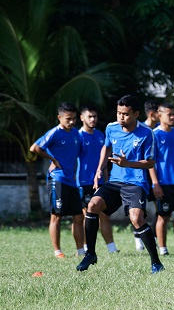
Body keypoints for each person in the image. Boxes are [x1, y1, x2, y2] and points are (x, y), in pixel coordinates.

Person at [76, 95, 164, 273]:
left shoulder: (147, 133)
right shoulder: (111, 128)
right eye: (118, 113)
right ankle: (90, 254)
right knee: (92, 205)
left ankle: (156, 262)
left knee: (136, 219)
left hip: (136, 183)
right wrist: (100, 169)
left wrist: (127, 163)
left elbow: (150, 163)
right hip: (115, 181)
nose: (120, 117)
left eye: (125, 114)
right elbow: (106, 147)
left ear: (136, 114)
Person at [30, 102, 84, 258]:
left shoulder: (76, 134)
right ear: (59, 117)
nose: (72, 122)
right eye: (68, 119)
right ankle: (57, 251)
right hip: (57, 179)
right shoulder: (54, 132)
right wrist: (52, 160)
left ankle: (80, 251)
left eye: (74, 118)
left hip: (71, 180)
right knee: (57, 216)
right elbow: (34, 148)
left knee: (78, 216)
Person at [148, 103, 174, 256]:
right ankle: (163, 249)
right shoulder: (154, 135)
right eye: (169, 114)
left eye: (173, 114)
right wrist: (155, 183)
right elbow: (150, 162)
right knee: (163, 216)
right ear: (159, 115)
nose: (172, 117)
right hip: (163, 184)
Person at [75, 106, 118, 253]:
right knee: (87, 216)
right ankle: (87, 247)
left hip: (100, 182)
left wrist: (106, 179)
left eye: (95, 116)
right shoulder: (78, 136)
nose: (93, 119)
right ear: (82, 118)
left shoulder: (100, 135)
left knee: (104, 215)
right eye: (89, 116)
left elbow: (104, 160)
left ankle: (112, 248)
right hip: (83, 182)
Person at [135, 100, 160, 251]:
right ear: (152, 114)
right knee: (140, 211)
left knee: (160, 210)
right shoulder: (141, 131)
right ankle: (138, 240)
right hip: (141, 178)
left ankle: (154, 239)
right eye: (159, 112)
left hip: (157, 177)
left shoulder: (158, 131)